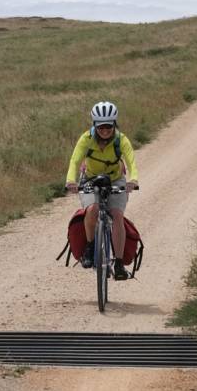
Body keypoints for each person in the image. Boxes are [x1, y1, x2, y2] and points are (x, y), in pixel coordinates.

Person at [64, 101, 139, 280]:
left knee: (117, 215)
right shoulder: (86, 139)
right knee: (92, 209)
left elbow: (131, 162)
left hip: (115, 179)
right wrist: (70, 180)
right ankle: (90, 248)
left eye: (108, 126)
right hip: (90, 179)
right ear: (94, 125)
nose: (104, 130)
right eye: (101, 126)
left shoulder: (121, 140)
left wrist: (133, 180)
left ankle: (119, 263)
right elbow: (75, 161)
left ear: (114, 124)